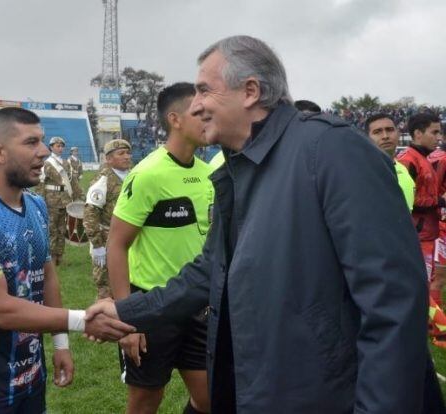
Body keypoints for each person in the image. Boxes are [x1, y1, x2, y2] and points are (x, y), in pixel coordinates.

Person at [85, 35, 433, 412]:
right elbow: (209, 271)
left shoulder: (331, 150)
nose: (196, 104)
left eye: (204, 90)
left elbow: (392, 302)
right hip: (269, 387)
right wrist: (127, 311)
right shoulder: (237, 169)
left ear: (250, 91)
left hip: (326, 394)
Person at [0, 107, 133, 413]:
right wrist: (83, 320)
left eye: (42, 141)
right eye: (31, 143)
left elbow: (47, 277)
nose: (44, 152)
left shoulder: (35, 205)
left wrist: (60, 345)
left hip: (30, 369)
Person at [107, 82, 212, 414]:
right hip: (150, 306)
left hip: (196, 304)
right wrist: (126, 318)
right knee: (146, 400)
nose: (208, 119)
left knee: (210, 399)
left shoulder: (210, 175)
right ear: (175, 119)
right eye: (200, 113)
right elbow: (117, 244)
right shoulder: (148, 174)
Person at [397, 112, 445, 305]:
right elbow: (403, 199)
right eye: (434, 132)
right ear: (418, 133)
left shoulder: (422, 157)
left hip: (428, 233)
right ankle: (438, 330)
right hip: (417, 234)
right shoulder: (408, 160)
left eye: (440, 133)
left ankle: (432, 331)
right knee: (420, 286)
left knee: (426, 283)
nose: (439, 138)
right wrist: (440, 201)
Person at [82, 138, 131, 300]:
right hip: (106, 239)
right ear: (109, 159)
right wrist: (97, 246)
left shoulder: (132, 176)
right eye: (121, 153)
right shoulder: (103, 181)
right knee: (106, 287)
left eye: (128, 153)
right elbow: (90, 214)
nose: (127, 156)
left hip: (129, 238)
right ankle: (103, 321)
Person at [37, 136, 80, 266]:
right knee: (52, 230)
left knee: (62, 230)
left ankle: (60, 256)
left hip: (65, 201)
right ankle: (51, 258)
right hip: (51, 201)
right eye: (57, 146)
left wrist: (78, 196)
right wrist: (40, 201)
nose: (60, 148)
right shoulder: (46, 164)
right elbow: (40, 184)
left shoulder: (67, 163)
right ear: (51, 147)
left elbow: (72, 182)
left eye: (62, 146)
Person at [365, 113, 414, 210]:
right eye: (377, 132)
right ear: (366, 138)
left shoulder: (402, 168)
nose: (385, 136)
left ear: (398, 133)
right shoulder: (361, 172)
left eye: (390, 130)